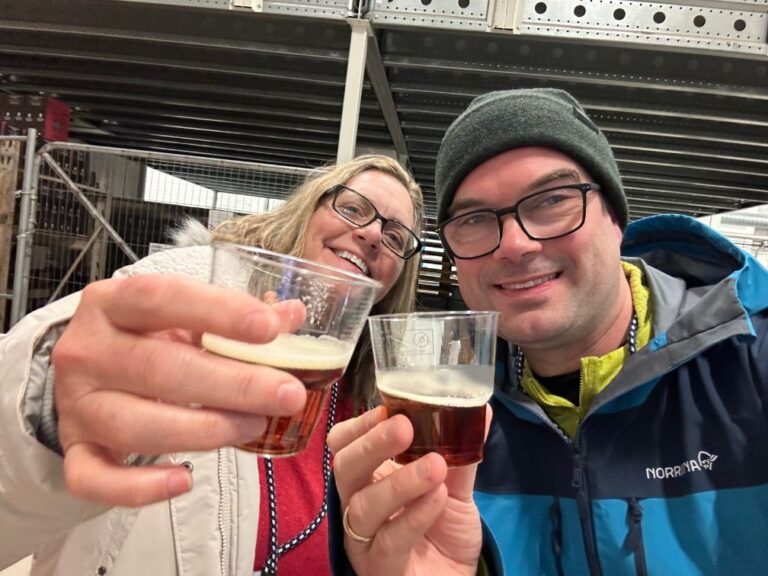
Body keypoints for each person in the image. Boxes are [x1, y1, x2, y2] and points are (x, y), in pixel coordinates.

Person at [328, 88, 768, 576]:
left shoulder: (751, 359)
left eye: (553, 200)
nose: (515, 244)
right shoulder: (443, 421)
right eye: (474, 220)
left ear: (615, 217)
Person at [0, 154, 424, 575]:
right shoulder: (190, 289)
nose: (371, 234)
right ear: (308, 211)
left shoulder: (367, 402)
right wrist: (50, 409)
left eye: (395, 236)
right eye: (353, 208)